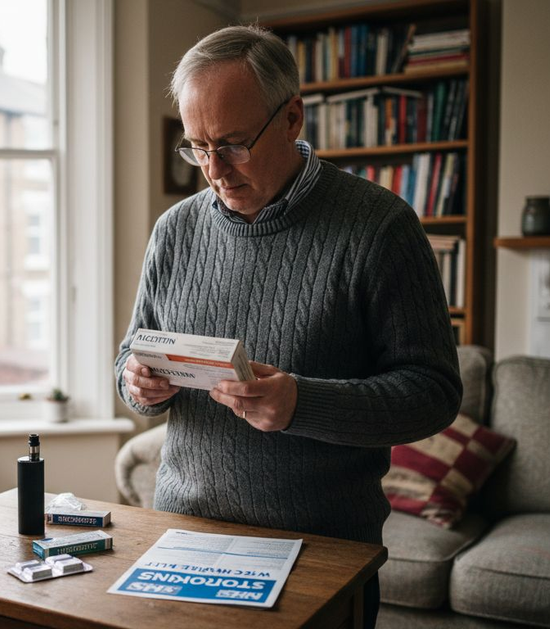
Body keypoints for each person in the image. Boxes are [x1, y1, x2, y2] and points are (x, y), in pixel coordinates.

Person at [114, 24, 462, 628]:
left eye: (234, 144)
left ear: (293, 117)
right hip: (183, 541)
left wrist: (302, 403)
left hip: (322, 553)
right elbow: (130, 355)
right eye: (196, 147)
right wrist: (136, 384)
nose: (215, 169)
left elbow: (433, 394)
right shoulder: (174, 230)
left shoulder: (380, 227)